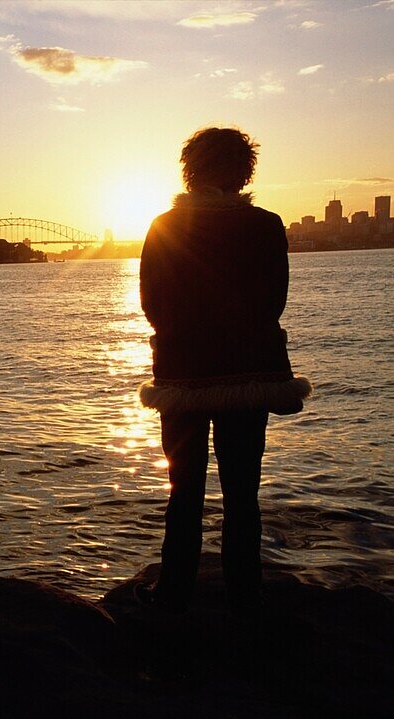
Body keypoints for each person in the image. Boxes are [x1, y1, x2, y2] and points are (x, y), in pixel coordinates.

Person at [137, 127, 311, 616]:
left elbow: (152, 302)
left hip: (183, 377)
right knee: (242, 492)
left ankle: (173, 594)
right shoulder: (266, 225)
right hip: (248, 376)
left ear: (191, 170)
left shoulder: (164, 225)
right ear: (243, 171)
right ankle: (245, 595)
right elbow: (274, 300)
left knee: (184, 490)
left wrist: (181, 335)